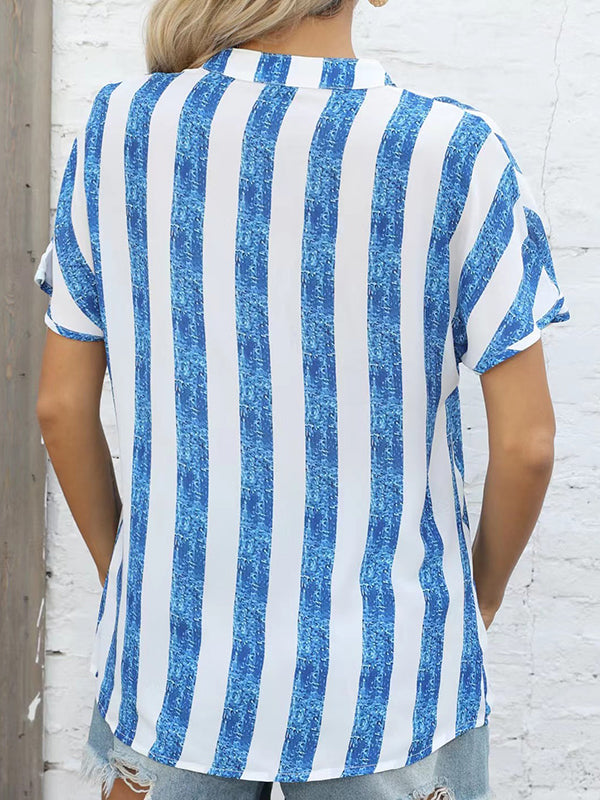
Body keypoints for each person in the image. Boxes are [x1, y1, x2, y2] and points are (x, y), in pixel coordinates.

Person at [33, 0, 570, 798]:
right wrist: (473, 610)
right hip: (392, 677)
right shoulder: (454, 151)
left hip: (173, 672)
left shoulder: (120, 130)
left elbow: (60, 406)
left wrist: (139, 586)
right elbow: (527, 445)